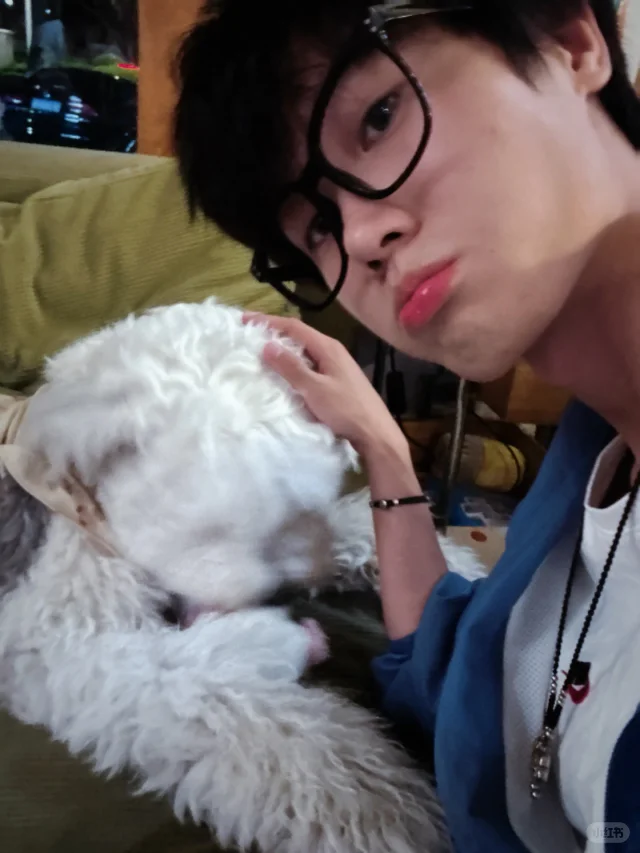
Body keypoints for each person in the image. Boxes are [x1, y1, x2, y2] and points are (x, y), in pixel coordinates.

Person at [173, 1, 640, 850]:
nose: (359, 234)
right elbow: (463, 673)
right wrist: (382, 445)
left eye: (379, 117)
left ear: (572, 41)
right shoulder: (589, 470)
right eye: (315, 227)